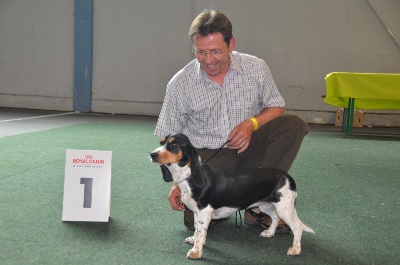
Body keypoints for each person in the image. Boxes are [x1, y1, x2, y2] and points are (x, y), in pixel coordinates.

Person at [154, 10, 309, 232]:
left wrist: (251, 124)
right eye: (201, 52)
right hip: (207, 158)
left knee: (292, 124)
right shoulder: (180, 84)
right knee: (193, 221)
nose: (208, 61)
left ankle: (259, 204)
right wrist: (177, 183)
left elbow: (277, 106)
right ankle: (234, 199)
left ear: (231, 43)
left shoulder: (256, 68)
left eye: (216, 51)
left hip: (251, 147)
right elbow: (168, 142)